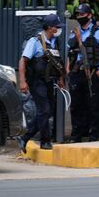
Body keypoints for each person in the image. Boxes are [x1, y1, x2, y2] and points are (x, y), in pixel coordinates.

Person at [16, 14, 65, 153]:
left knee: (48, 111)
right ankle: (45, 141)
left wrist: (61, 79)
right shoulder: (35, 41)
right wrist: (23, 81)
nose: (58, 29)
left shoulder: (55, 42)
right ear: (49, 28)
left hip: (49, 81)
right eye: (56, 27)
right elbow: (23, 60)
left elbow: (57, 63)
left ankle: (24, 137)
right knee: (44, 110)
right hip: (37, 81)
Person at [67, 4, 99, 143]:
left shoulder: (98, 30)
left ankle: (94, 134)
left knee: (94, 104)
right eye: (78, 15)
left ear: (89, 15)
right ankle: (76, 135)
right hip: (77, 72)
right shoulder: (74, 32)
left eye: (82, 14)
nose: (79, 17)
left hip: (92, 72)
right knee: (76, 105)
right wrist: (68, 69)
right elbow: (70, 53)